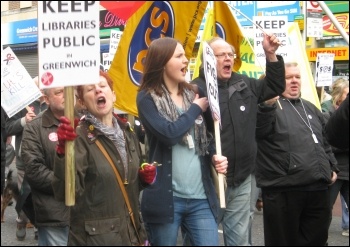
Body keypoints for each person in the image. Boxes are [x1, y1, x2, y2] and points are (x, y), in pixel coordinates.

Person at [191, 34, 285, 245]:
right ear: (207, 59)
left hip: (242, 178)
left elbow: (275, 86)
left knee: (239, 241)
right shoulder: (196, 89)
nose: (228, 58)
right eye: (221, 55)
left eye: (230, 54)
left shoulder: (244, 83)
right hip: (207, 180)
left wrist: (270, 54)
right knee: (201, 240)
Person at [136, 37, 228, 246]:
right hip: (165, 200)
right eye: (179, 56)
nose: (186, 61)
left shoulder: (195, 92)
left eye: (185, 56)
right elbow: (169, 135)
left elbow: (207, 137)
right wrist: (195, 109)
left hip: (201, 197)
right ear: (162, 62)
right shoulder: (146, 98)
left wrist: (215, 157)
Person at [52, 70, 150, 245]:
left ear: (113, 95)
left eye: (103, 86)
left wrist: (142, 179)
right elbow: (66, 193)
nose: (98, 90)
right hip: (96, 240)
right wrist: (63, 151)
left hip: (131, 236)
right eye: (90, 89)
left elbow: (120, 185)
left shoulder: (128, 132)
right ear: (81, 102)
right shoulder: (78, 136)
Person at [255, 62, 339, 245]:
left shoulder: (310, 107)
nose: (294, 81)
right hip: (283, 190)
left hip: (317, 189)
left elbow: (324, 142)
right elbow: (259, 132)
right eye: (288, 77)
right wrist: (266, 105)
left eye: (297, 77)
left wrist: (332, 167)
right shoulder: (267, 107)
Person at [20, 86, 70, 246]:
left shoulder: (85, 122)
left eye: (67, 90)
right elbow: (34, 170)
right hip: (53, 215)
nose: (65, 95)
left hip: (86, 215)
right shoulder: (35, 126)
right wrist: (68, 185)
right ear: (47, 99)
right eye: (58, 92)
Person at [5, 76, 47, 241]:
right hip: (25, 161)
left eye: (44, 87)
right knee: (26, 196)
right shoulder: (23, 106)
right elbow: (8, 127)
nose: (42, 90)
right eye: (38, 87)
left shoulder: (53, 103)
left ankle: (39, 225)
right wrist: (24, 120)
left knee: (42, 196)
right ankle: (21, 221)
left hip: (45, 160)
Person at [321, 78, 349, 239]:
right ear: (339, 97)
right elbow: (328, 143)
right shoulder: (327, 116)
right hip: (334, 170)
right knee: (325, 209)